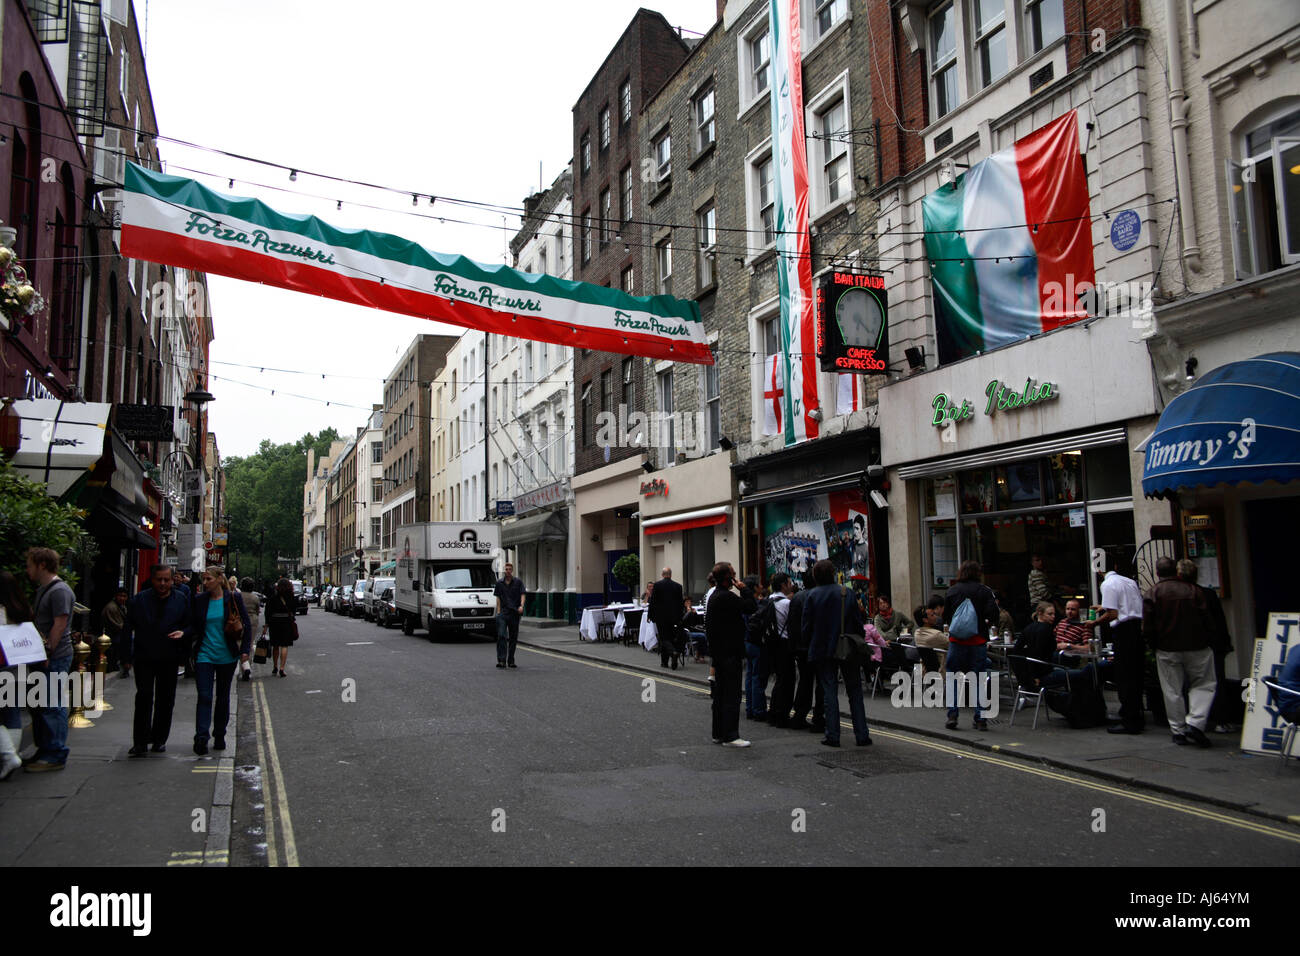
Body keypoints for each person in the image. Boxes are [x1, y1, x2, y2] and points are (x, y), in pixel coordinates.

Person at [1144, 557, 1214, 747]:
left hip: (1167, 648)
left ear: (1157, 573)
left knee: (1172, 690)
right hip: (1197, 645)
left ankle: (1178, 731)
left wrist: (1153, 644)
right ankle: (1196, 723)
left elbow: (1148, 626)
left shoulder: (1153, 592)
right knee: (1204, 684)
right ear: (1175, 570)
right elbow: (1207, 618)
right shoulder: (1193, 590)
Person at [123, 564, 191, 756]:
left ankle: (160, 739)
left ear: (172, 581)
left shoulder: (182, 599)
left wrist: (184, 636)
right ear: (152, 580)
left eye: (166, 580)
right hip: (144, 656)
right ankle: (140, 743)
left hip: (169, 656)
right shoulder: (139, 600)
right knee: (143, 697)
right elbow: (128, 629)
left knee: (166, 699)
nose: (162, 583)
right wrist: (126, 658)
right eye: (159, 579)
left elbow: (190, 626)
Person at [802, 560, 871, 748]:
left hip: (822, 649)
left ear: (816, 576)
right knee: (854, 691)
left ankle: (833, 735)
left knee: (829, 692)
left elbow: (806, 626)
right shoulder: (846, 592)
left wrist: (808, 645)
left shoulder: (812, 595)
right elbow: (858, 623)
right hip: (846, 646)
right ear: (833, 573)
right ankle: (862, 734)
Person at [23, 547, 76, 772]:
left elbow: (60, 624)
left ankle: (54, 753)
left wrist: (48, 652)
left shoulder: (59, 591)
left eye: (29, 565)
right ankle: (45, 749)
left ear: (41, 565)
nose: (27, 569)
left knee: (51, 704)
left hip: (54, 656)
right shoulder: (45, 589)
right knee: (41, 703)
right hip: (45, 656)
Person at [189, 566, 252, 755]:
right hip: (204, 655)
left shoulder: (232, 598)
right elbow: (193, 626)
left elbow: (246, 624)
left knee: (223, 698)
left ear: (218, 579)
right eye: (204, 579)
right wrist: (182, 634)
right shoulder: (200, 600)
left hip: (227, 655)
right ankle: (201, 737)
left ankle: (219, 734)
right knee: (205, 696)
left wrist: (245, 651)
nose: (205, 582)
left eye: (208, 579)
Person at [941, 559, 1000, 731]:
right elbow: (993, 613)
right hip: (978, 641)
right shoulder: (984, 591)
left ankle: (952, 715)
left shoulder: (952, 590)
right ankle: (980, 718)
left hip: (957, 641)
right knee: (979, 679)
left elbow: (945, 616)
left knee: (952, 677)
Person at [1094, 557, 1145, 736]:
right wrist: (1104, 607)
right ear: (1115, 565)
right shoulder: (1129, 581)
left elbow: (1113, 614)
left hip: (1123, 632)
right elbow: (1128, 606)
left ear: (1099, 571)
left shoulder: (1107, 585)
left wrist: (1093, 623)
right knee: (1135, 675)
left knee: (1124, 676)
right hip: (1136, 629)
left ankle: (1130, 722)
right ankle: (1135, 714)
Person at [705, 562, 749, 747]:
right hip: (730, 652)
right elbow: (750, 607)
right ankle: (731, 736)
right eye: (733, 573)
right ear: (727, 578)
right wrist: (744, 589)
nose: (736, 575)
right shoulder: (726, 597)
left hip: (719, 653)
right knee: (731, 695)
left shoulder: (714, 596)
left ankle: (719, 733)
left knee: (721, 695)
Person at [0, 571, 34, 780]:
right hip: (20, 665)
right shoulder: (22, 609)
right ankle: (13, 754)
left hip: (2, 666)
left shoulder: (1, 611)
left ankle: (9, 755)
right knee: (12, 711)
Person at [788, 572, 824, 733]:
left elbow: (792, 624)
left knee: (805, 681)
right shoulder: (819, 596)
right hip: (817, 646)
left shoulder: (796, 597)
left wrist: (794, 646)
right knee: (821, 683)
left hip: (801, 648)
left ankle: (799, 716)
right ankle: (818, 718)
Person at [765, 573, 796, 727]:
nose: (791, 585)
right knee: (787, 680)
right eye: (789, 582)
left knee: (779, 679)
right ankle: (782, 715)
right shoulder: (786, 603)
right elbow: (793, 625)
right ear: (783, 585)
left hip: (772, 643)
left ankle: (773, 712)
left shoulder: (769, 600)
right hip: (784, 644)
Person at [740, 574, 768, 720]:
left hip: (747, 642)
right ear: (755, 588)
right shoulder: (757, 604)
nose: (762, 586)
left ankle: (750, 708)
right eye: (759, 584)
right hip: (757, 643)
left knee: (750, 676)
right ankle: (759, 710)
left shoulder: (744, 603)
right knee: (758, 677)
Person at [648, 567, 685, 670]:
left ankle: (673, 652)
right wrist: (680, 617)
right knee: (670, 638)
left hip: (661, 617)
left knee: (664, 638)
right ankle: (664, 662)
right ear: (671, 575)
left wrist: (650, 615)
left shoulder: (657, 585)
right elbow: (680, 604)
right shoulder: (678, 586)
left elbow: (653, 602)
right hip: (674, 618)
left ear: (662, 574)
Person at [494, 562, 525, 669]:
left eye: (509, 569)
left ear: (512, 570)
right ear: (504, 570)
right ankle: (501, 660)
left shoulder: (518, 582)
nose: (507, 571)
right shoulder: (499, 583)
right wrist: (498, 612)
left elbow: (523, 594)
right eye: (506, 569)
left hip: (514, 613)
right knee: (501, 636)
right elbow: (497, 597)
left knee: (513, 638)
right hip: (502, 613)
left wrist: (521, 605)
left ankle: (511, 660)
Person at [263, 579, 296, 677]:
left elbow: (267, 612)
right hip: (286, 622)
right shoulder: (291, 597)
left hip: (274, 623)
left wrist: (266, 625)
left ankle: (275, 666)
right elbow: (293, 610)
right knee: (284, 646)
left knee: (276, 645)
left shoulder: (273, 598)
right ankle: (282, 668)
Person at [237, 577, 262, 682]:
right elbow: (257, 610)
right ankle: (246, 668)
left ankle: (241, 667)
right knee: (249, 645)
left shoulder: (238, 596)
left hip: (238, 621)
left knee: (238, 644)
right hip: (252, 621)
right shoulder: (255, 597)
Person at [100, 588, 129, 677]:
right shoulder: (112, 607)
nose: (122, 598)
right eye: (120, 596)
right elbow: (117, 625)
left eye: (124, 596)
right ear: (116, 596)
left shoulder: (122, 606)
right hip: (112, 635)